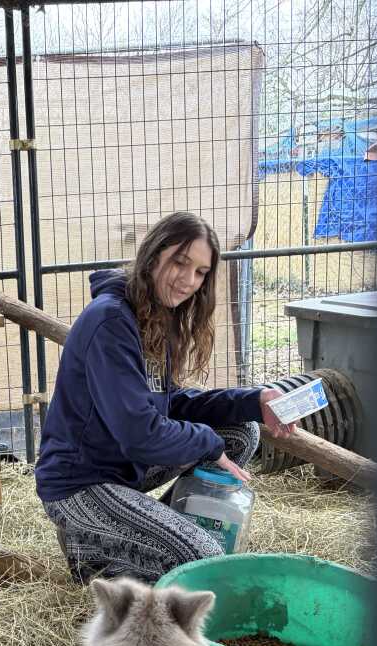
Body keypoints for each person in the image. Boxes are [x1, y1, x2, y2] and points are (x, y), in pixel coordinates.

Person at [35, 211, 294, 584]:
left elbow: (171, 404)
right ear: (154, 255)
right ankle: (101, 548)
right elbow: (140, 432)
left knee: (241, 431)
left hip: (124, 468)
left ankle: (142, 536)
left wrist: (254, 401)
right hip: (80, 484)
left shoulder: (155, 316)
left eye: (201, 272)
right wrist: (207, 442)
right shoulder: (110, 322)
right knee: (202, 559)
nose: (189, 281)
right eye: (181, 262)